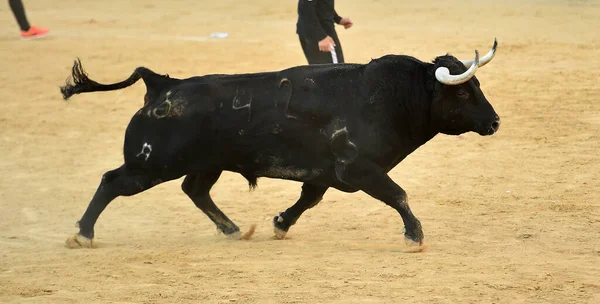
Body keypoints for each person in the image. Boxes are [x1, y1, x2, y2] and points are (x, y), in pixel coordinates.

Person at [296, 0, 353, 65]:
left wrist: (338, 19)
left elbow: (322, 3)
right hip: (322, 33)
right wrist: (320, 36)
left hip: (314, 31)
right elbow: (305, 7)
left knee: (319, 71)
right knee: (336, 71)